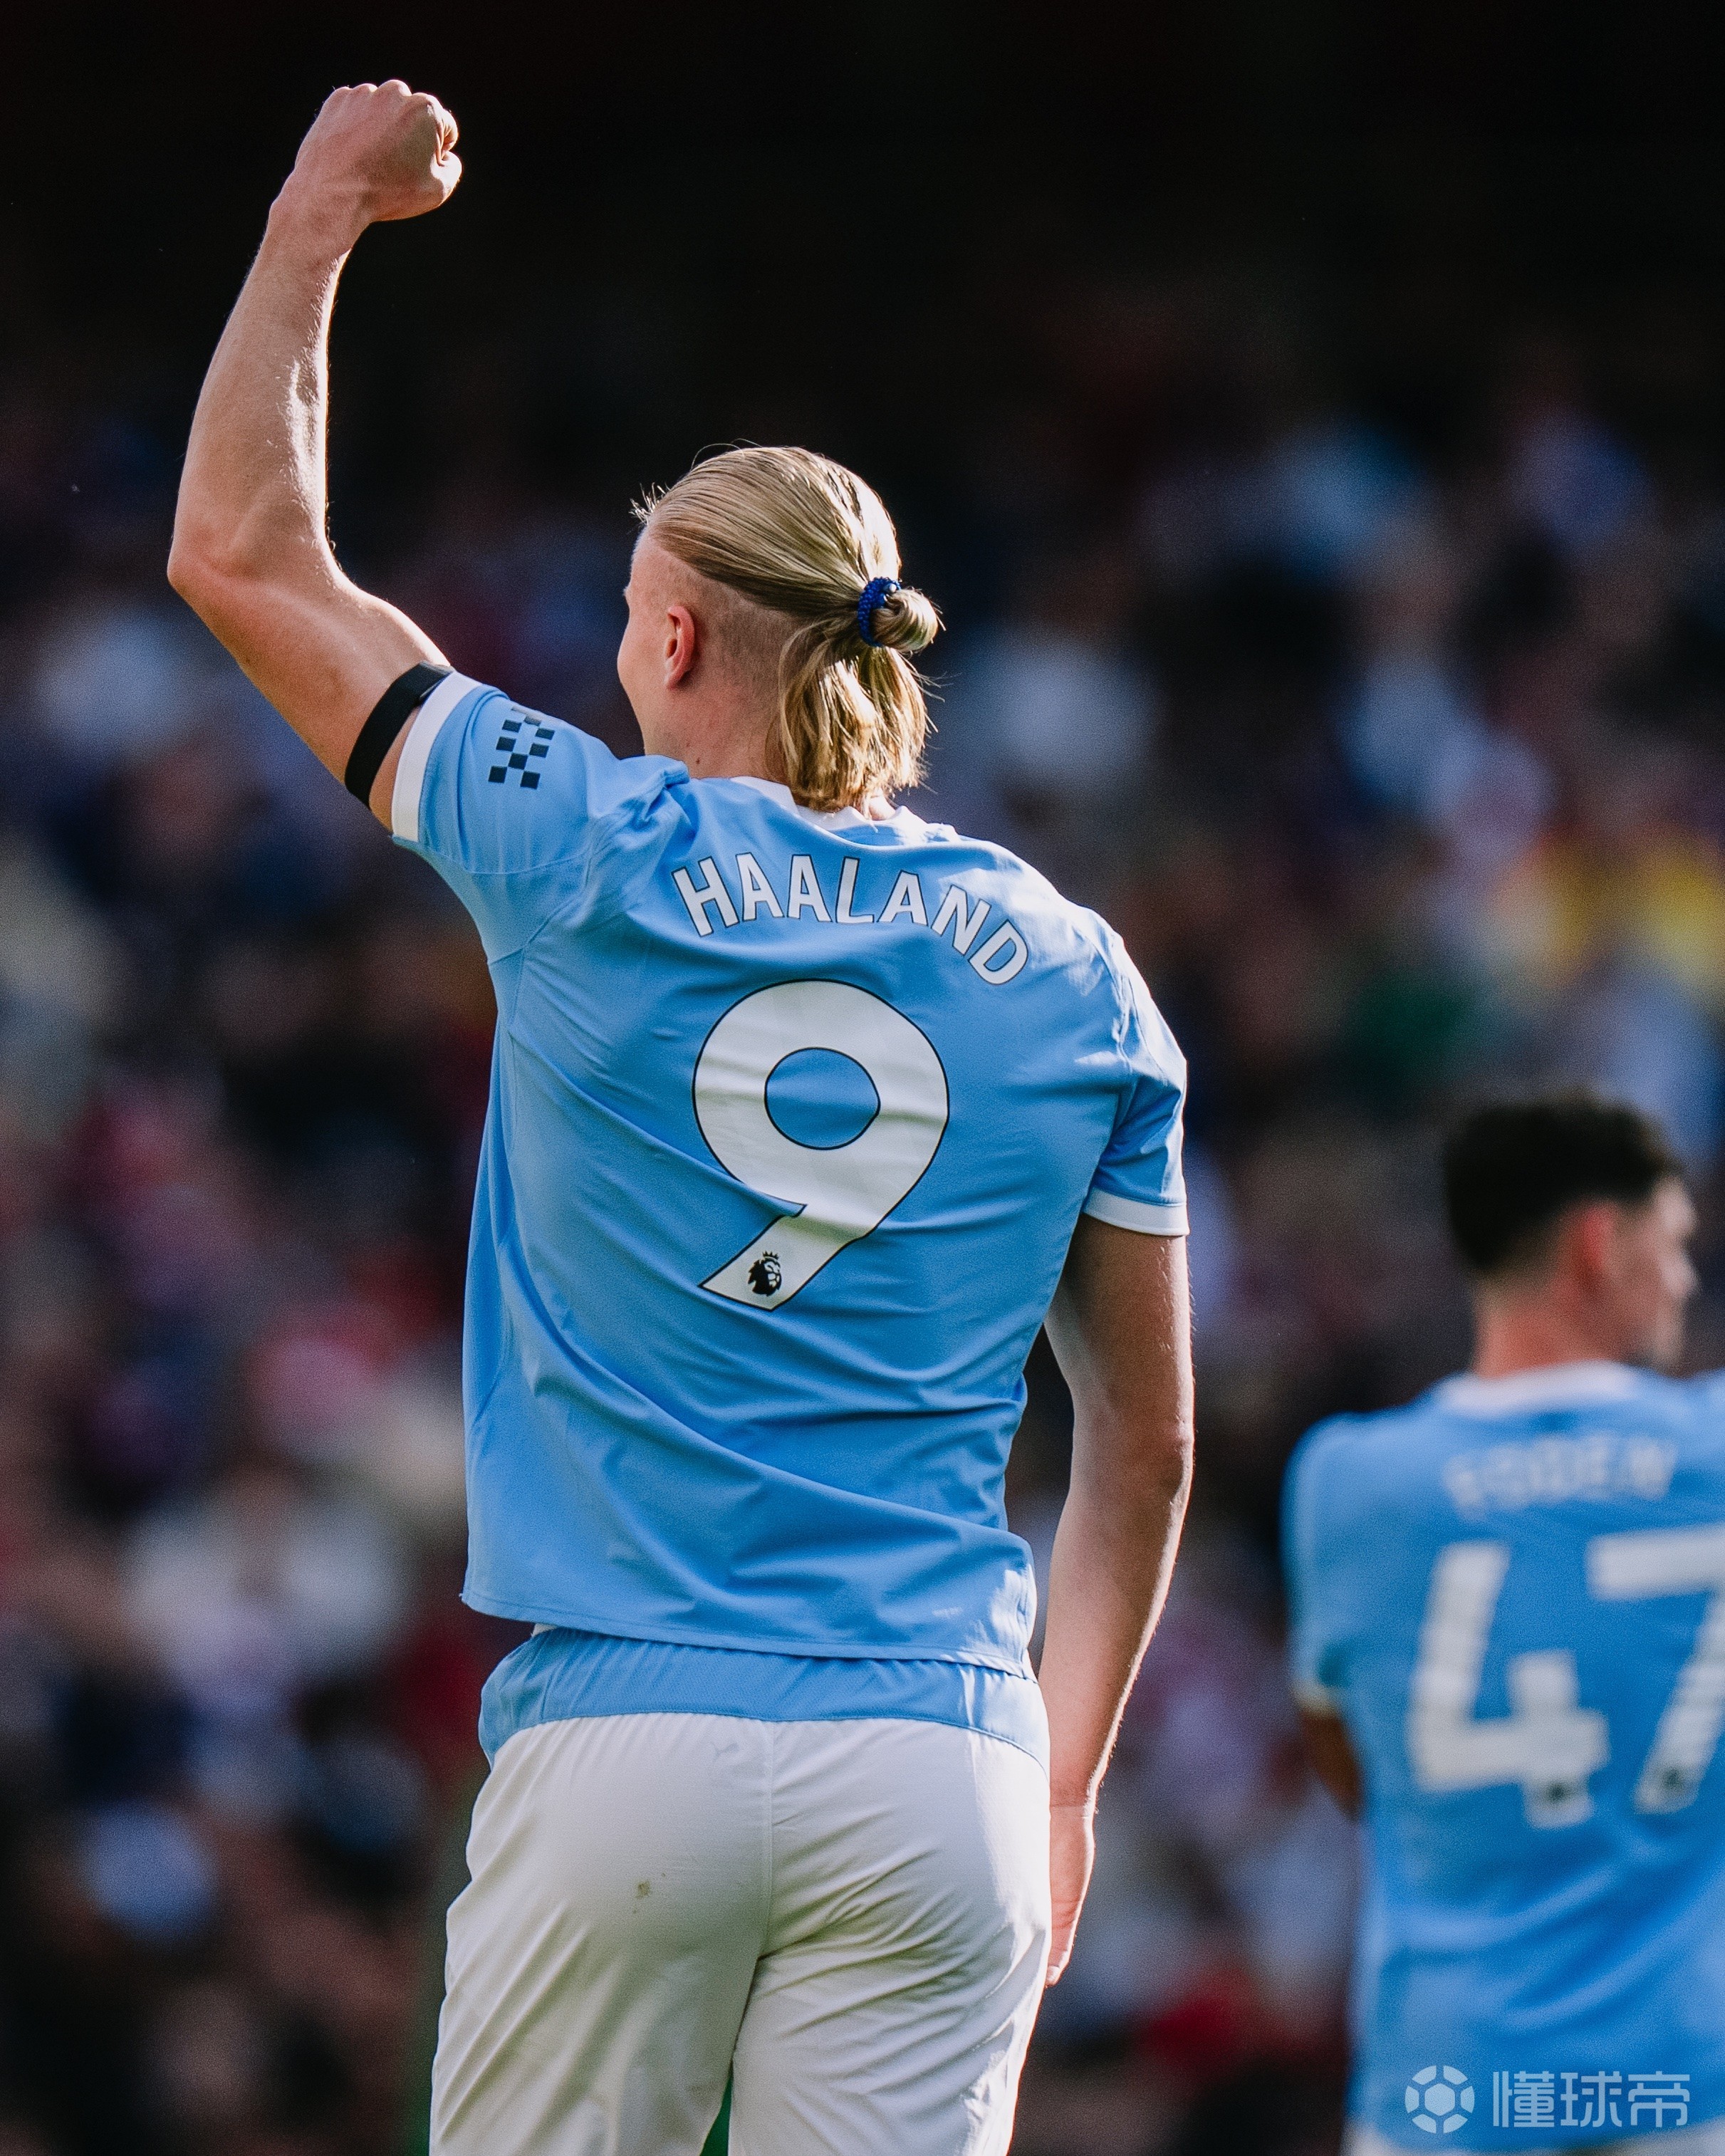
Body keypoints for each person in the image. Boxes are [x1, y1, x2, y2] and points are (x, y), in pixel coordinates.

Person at [167, 83, 1195, 2156]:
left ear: (669, 633)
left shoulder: (575, 840)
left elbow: (242, 553)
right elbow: (1142, 1444)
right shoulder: (1071, 963)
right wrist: (1063, 1778)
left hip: (631, 1732)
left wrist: (313, 217)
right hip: (940, 1761)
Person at [1285, 1094, 1725, 2156]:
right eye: (1673, 1245)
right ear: (1598, 1244)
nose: (1685, 1281)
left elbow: (1350, 1767)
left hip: (1449, 2088)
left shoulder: (1347, 1482)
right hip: (1689, 2073)